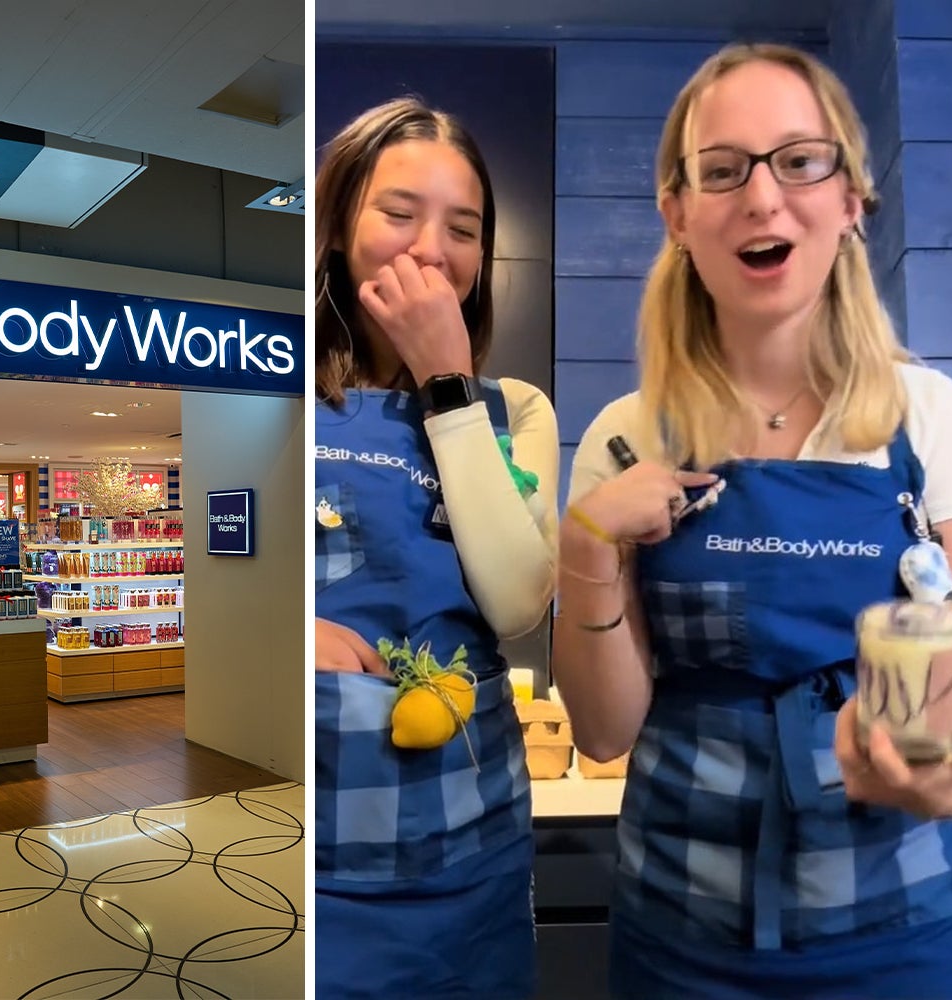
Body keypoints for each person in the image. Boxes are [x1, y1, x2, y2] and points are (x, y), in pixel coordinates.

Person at [552, 43, 952, 999]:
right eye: (723, 169)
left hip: (903, 928)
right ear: (678, 216)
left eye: (799, 159)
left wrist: (950, 770)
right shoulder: (625, 440)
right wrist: (585, 541)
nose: (762, 195)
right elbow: (605, 731)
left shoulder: (933, 420)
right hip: (680, 932)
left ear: (850, 201)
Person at [313, 96, 559, 1000]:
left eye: (464, 228)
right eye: (398, 213)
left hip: (471, 842)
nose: (431, 250)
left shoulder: (517, 410)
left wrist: (447, 386)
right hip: (318, 834)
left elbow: (517, 603)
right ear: (339, 227)